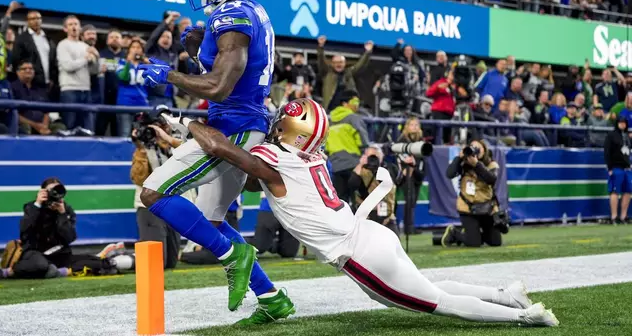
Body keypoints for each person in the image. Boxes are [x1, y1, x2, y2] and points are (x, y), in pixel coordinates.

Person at [174, 97, 559, 327]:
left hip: (357, 250)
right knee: (417, 291)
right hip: (369, 234)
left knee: (434, 303)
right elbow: (259, 180)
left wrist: (185, 121)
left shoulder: (275, 159)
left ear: (288, 131)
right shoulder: (308, 156)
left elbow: (222, 149)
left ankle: (524, 317)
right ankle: (506, 295)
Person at [137, 0, 293, 324]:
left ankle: (231, 256)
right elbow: (232, 70)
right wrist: (199, 53)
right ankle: (271, 298)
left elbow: (221, 86)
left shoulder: (233, 15)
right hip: (244, 121)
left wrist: (170, 76)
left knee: (153, 193)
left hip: (232, 128)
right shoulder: (251, 11)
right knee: (212, 221)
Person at [130, 110, 193, 269]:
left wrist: (165, 140)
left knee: (171, 262)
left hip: (172, 205)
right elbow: (139, 179)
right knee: (156, 262)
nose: (164, 128)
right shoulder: (144, 148)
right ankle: (117, 260)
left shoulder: (179, 142)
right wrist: (141, 149)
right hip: (149, 206)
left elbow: (189, 153)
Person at [442, 140, 505, 247]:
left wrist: (476, 164)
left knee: (496, 242)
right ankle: (454, 233)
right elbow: (449, 174)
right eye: (472, 147)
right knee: (474, 243)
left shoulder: (491, 164)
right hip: (468, 208)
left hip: (487, 209)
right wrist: (459, 158)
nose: (475, 150)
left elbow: (491, 179)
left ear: (484, 150)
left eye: (478, 148)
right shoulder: (463, 164)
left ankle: (471, 235)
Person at [325, 90, 370, 203]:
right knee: (360, 201)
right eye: (354, 101)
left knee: (340, 202)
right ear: (344, 103)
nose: (357, 104)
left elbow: (325, 145)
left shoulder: (329, 120)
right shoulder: (354, 118)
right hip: (354, 166)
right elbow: (363, 141)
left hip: (336, 166)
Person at [56, 15, 98, 132]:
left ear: (80, 28)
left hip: (86, 90)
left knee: (87, 129)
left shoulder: (85, 46)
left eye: (76, 24)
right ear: (65, 29)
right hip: (69, 90)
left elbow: (94, 71)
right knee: (70, 127)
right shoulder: (63, 45)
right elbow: (68, 66)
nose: (74, 27)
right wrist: (86, 59)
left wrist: (96, 57)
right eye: (70, 24)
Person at [349, 146, 401, 236]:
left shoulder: (389, 168)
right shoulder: (361, 170)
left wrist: (378, 169)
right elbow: (352, 185)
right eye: (369, 157)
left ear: (381, 156)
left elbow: (396, 183)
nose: (372, 159)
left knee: (394, 243)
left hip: (388, 214)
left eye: (375, 156)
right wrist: (361, 164)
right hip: (367, 214)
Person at [316, 35, 373, 110]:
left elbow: (360, 65)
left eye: (340, 62)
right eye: (335, 62)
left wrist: (367, 52)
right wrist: (320, 46)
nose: (338, 64)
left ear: (344, 63)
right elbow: (321, 61)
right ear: (332, 64)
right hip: (330, 109)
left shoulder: (348, 72)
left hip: (346, 109)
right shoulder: (327, 73)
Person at [12, 10, 59, 100]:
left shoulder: (48, 39)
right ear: (27, 21)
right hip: (32, 82)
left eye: (38, 18)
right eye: (33, 19)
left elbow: (53, 59)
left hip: (49, 84)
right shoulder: (21, 39)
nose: (36, 21)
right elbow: (17, 60)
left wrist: (53, 79)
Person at [10, 61, 65, 135]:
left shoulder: (39, 89)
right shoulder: (12, 88)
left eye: (31, 68)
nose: (28, 70)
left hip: (42, 125)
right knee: (25, 128)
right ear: (17, 72)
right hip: (25, 124)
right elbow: (14, 114)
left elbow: (46, 111)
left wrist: (44, 126)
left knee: (60, 127)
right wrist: (36, 126)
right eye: (24, 69)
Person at [116, 38, 150, 137]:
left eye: (138, 47)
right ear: (129, 50)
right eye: (133, 47)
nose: (136, 49)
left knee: (142, 134)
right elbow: (123, 77)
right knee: (125, 133)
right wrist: (128, 62)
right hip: (125, 103)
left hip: (141, 104)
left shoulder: (145, 65)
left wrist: (150, 64)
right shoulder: (122, 62)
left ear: (142, 51)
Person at [251, 193, 300, 258]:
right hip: (269, 208)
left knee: (289, 253)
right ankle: (238, 244)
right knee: (259, 247)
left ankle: (272, 243)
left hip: (292, 210)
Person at [604, 115, 631, 224]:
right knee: (614, 191)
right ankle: (614, 217)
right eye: (620, 122)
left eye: (624, 123)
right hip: (616, 167)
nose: (622, 124)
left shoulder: (627, 137)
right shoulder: (611, 136)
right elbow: (607, 152)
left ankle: (623, 216)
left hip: (627, 168)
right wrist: (609, 167)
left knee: (628, 191)